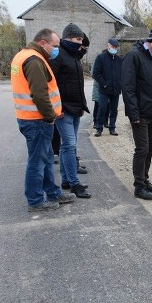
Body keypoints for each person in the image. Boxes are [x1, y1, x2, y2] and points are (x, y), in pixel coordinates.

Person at [10, 28, 76, 211]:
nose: (56, 49)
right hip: (37, 120)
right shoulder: (34, 60)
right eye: (54, 46)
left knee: (45, 158)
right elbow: (39, 94)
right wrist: (49, 117)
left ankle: (53, 192)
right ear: (42, 43)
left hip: (31, 119)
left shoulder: (23, 55)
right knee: (37, 162)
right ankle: (35, 200)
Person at [121, 27, 152, 200]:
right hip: (140, 113)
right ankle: (139, 187)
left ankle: (145, 179)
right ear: (151, 42)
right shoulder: (134, 56)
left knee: (151, 148)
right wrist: (134, 113)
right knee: (142, 149)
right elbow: (128, 88)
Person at [49, 23, 91, 199]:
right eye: (77, 38)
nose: (80, 42)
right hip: (63, 110)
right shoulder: (58, 56)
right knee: (69, 145)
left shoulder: (74, 55)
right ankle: (74, 184)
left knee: (69, 146)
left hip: (75, 108)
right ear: (66, 39)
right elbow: (50, 86)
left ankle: (66, 179)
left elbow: (77, 85)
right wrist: (56, 109)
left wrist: (82, 106)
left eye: (81, 39)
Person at [93, 38, 123, 136]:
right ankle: (99, 128)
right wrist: (104, 84)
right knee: (102, 108)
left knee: (114, 110)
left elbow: (122, 73)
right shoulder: (101, 58)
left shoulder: (119, 60)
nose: (114, 48)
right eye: (112, 46)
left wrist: (120, 84)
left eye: (115, 47)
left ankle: (112, 127)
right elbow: (96, 73)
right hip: (104, 90)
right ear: (108, 46)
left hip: (116, 90)